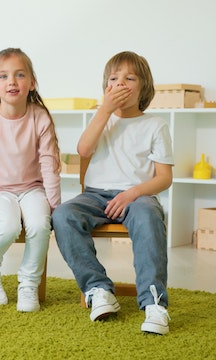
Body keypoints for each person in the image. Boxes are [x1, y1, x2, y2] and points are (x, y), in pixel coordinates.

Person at [51, 51, 173, 335]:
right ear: (106, 87)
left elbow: (164, 177)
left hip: (138, 196)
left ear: (144, 86)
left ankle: (155, 304)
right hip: (94, 195)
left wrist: (132, 194)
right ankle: (97, 290)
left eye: (129, 78)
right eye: (113, 79)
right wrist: (104, 110)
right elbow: (83, 150)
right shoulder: (101, 117)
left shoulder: (156, 125)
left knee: (148, 217)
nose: (120, 84)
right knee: (63, 215)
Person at [0, 48, 61, 312]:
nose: (12, 81)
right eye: (4, 76)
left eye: (20, 75)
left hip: (33, 190)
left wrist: (55, 206)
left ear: (31, 83)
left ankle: (28, 284)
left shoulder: (39, 117)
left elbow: (49, 164)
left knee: (39, 226)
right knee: (8, 227)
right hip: (0, 193)